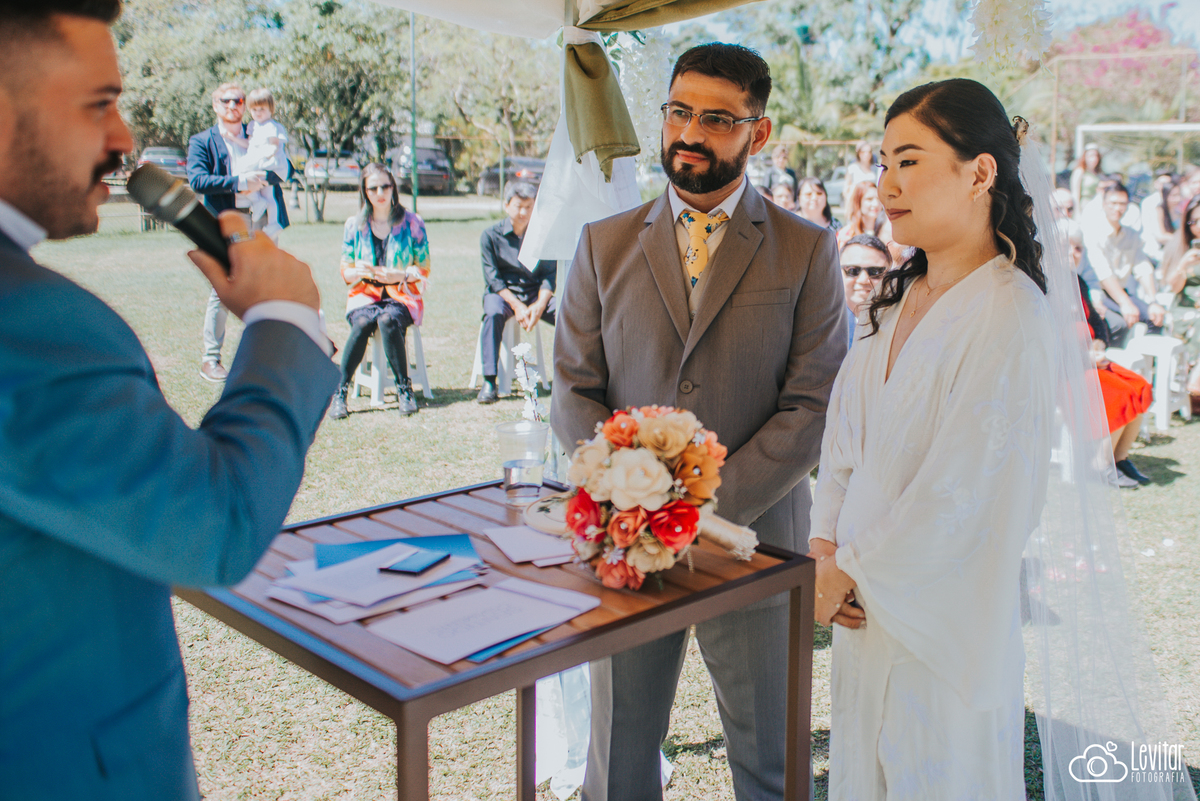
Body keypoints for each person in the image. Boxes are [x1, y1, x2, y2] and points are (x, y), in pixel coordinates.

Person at [0, 3, 339, 798]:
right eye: (99, 104)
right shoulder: (37, 324)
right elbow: (215, 522)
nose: (123, 139)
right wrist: (284, 317)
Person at [552, 42, 847, 801]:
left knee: (770, 762)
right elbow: (574, 389)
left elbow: (813, 404)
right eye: (679, 111)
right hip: (626, 539)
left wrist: (698, 511)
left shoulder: (807, 249)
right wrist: (635, 501)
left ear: (759, 131)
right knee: (618, 760)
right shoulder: (602, 245)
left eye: (717, 119)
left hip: (756, 539)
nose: (690, 132)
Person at [808, 78, 1058, 797]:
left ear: (980, 173)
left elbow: (972, 490)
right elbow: (842, 447)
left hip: (938, 622)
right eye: (882, 163)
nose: (885, 184)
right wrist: (823, 549)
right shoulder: (893, 301)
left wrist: (848, 568)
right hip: (857, 608)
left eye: (909, 161)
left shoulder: (1009, 314)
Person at [188, 81, 290, 382]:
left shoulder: (259, 130)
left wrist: (266, 175)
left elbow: (287, 168)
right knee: (223, 288)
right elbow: (197, 180)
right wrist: (239, 183)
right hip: (227, 221)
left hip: (261, 220)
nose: (233, 105)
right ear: (215, 105)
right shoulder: (202, 141)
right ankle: (211, 358)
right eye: (226, 100)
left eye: (239, 100)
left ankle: (261, 358)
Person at [328, 164, 430, 419]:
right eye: (373, 188)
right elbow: (345, 270)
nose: (380, 192)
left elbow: (424, 268)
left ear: (393, 187)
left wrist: (401, 275)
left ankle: (404, 389)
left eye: (385, 186)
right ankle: (340, 392)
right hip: (364, 295)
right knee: (363, 323)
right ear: (364, 191)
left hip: (401, 295)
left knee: (387, 319)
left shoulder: (412, 222)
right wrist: (359, 271)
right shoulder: (354, 225)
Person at [477, 180, 557, 404]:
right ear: (506, 206)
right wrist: (517, 305)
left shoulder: (542, 235)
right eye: (518, 206)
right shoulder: (490, 236)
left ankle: (570, 374)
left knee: (567, 312)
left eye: (529, 207)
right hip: (503, 294)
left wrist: (539, 305)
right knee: (492, 314)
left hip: (534, 294)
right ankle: (489, 381)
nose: (523, 212)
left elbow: (549, 276)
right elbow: (493, 279)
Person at [1084, 181, 1165, 345]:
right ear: (1104, 204)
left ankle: (1144, 359)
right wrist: (1125, 303)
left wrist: (1153, 301)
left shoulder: (1131, 235)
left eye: (1122, 204)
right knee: (1118, 325)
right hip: (1099, 293)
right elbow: (1103, 273)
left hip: (1122, 291)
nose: (1117, 208)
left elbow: (1143, 268)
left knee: (1155, 318)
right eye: (1113, 203)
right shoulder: (1093, 232)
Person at [226, 87, 290, 240]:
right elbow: (249, 144)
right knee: (244, 177)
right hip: (256, 159)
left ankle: (273, 223)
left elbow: (274, 146)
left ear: (270, 109)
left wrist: (265, 156)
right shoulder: (253, 126)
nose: (258, 113)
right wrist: (233, 138)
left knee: (269, 195)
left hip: (267, 163)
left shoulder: (272, 126)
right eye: (254, 110)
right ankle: (257, 201)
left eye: (262, 109)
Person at [1162, 193, 1200, 401]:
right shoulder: (1180, 246)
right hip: (1184, 309)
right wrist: (1182, 266)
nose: (1198, 226)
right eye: (1194, 221)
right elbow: (1173, 288)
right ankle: (1196, 377)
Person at [839, 233, 890, 344]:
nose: (863, 280)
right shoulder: (822, 322)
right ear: (837, 272)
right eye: (853, 270)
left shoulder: (900, 322)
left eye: (875, 272)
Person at [836, 180, 883, 247]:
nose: (876, 204)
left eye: (878, 199)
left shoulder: (887, 232)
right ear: (858, 202)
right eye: (869, 199)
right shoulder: (846, 234)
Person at [1070, 141, 1103, 212]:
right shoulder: (1080, 171)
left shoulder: (1097, 173)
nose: (1094, 159)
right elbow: (1075, 192)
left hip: (1096, 205)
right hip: (1084, 206)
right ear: (1085, 157)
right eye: (1091, 156)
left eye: (1096, 156)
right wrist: (1077, 211)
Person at [841, 140, 876, 207]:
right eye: (863, 152)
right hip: (856, 205)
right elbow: (846, 189)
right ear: (859, 153)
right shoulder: (853, 168)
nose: (866, 154)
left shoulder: (875, 169)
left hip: (872, 205)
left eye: (869, 152)